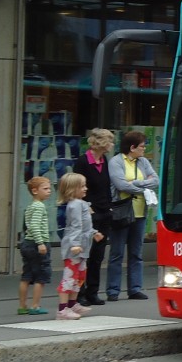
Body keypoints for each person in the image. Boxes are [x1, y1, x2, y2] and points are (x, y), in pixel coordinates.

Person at [107, 130, 159, 300]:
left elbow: (156, 180)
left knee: (136, 253)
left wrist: (136, 184)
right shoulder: (116, 162)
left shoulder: (143, 161)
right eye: (142, 146)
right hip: (122, 211)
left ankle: (135, 288)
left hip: (140, 213)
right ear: (132, 147)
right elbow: (121, 185)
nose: (144, 149)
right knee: (117, 253)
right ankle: (113, 290)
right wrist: (144, 187)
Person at [72, 127, 115, 305]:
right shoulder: (83, 162)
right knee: (85, 256)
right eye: (110, 141)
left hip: (104, 212)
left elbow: (106, 187)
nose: (112, 144)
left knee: (98, 255)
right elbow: (76, 187)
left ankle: (93, 291)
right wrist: (87, 208)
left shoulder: (104, 160)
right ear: (101, 143)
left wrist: (109, 208)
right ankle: (79, 292)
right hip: (88, 212)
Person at [56, 173, 103, 320]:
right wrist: (75, 244)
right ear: (72, 189)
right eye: (82, 186)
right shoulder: (75, 205)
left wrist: (94, 232)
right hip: (75, 246)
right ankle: (63, 309)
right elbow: (76, 226)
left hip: (83, 246)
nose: (86, 188)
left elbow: (85, 225)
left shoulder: (81, 203)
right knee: (70, 276)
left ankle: (72, 304)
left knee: (80, 276)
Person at [17, 177, 53, 316]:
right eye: (45, 189)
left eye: (49, 188)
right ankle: (35, 306)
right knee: (40, 277)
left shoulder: (30, 206)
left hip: (27, 243)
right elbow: (34, 226)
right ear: (35, 191)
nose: (49, 191)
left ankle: (22, 306)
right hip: (37, 244)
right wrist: (40, 243)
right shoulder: (39, 206)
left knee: (26, 276)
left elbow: (28, 226)